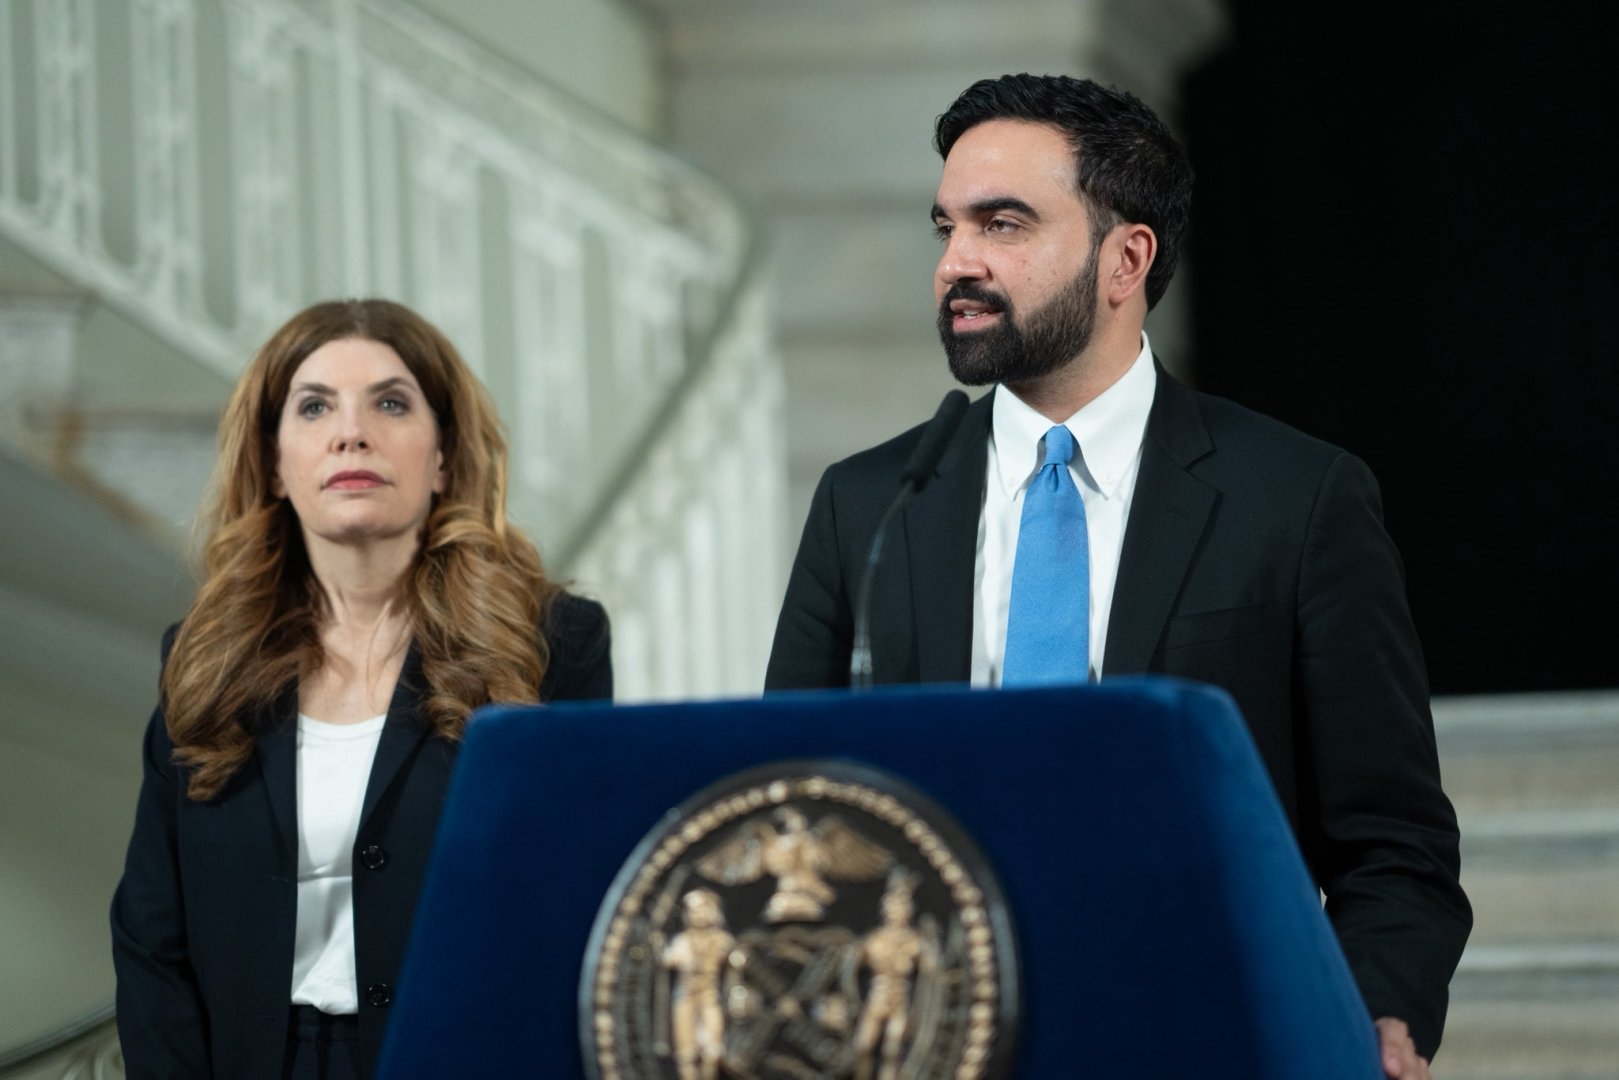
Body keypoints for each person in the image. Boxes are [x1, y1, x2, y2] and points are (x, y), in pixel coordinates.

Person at [764, 74, 1469, 1078]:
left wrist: (1373, 1018)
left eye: (1002, 224)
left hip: (1198, 1034)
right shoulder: (869, 503)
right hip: (926, 1038)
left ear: (1124, 259)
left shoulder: (1295, 498)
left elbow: (1391, 843)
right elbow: (789, 800)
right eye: (947, 228)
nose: (956, 263)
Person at [110, 298, 611, 1079]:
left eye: (391, 403)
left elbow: (577, 906)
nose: (352, 432)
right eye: (314, 407)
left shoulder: (552, 644)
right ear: (274, 464)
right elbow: (151, 934)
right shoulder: (204, 659)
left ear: (441, 457)